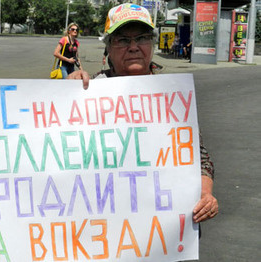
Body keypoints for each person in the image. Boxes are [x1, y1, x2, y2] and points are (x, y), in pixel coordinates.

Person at [68, 3, 218, 224]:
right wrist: (67, 94)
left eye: (142, 38)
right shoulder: (88, 91)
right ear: (108, 47)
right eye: (122, 40)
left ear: (152, 44)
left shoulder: (172, 94)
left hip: (160, 233)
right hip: (102, 226)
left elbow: (199, 156)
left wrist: (206, 194)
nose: (133, 47)